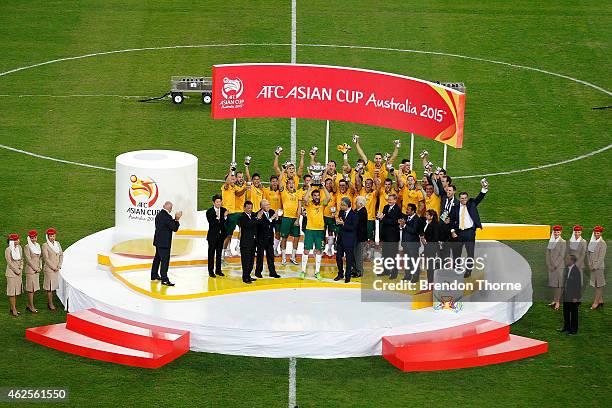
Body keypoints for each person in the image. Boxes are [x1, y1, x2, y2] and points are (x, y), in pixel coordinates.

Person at [449, 180, 488, 277]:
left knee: (470, 253)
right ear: (459, 199)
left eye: (465, 198)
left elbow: (479, 198)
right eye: (462, 198)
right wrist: (452, 231)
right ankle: (457, 267)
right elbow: (451, 220)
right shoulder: (455, 208)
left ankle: (468, 271)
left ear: (467, 198)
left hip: (469, 232)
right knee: (456, 252)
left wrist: (484, 188)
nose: (464, 200)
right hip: (458, 233)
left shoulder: (471, 204)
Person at [301, 184, 331, 280]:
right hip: (310, 230)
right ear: (312, 196)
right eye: (315, 196)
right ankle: (303, 271)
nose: (317, 197)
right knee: (306, 251)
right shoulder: (309, 204)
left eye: (318, 196)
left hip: (320, 231)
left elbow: (329, 197)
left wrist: (323, 187)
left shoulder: (322, 204)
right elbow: (305, 199)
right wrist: (310, 188)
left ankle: (317, 272)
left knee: (319, 251)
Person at [150, 202, 181, 287]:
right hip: (164, 243)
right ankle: (164, 279)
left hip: (158, 241)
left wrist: (173, 220)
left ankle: (154, 274)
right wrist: (177, 219)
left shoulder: (159, 214)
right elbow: (174, 228)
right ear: (170, 208)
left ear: (164, 206)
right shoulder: (167, 217)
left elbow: (168, 225)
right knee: (164, 261)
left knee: (157, 258)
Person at [278, 171, 301, 265]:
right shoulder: (284, 192)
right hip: (286, 218)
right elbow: (280, 180)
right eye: (289, 183)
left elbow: (299, 207)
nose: (291, 185)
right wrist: (283, 170)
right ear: (286, 185)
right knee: (284, 237)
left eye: (293, 183)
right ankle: (283, 257)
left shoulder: (298, 193)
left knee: (296, 237)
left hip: (295, 218)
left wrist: (298, 219)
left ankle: (293, 256)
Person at [255, 199, 281, 279]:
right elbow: (263, 225)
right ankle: (258, 272)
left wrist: (276, 218)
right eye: (266, 205)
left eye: (269, 204)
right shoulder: (258, 214)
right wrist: (272, 219)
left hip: (269, 239)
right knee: (260, 256)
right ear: (262, 206)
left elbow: (276, 223)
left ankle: (272, 272)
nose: (268, 206)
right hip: (261, 239)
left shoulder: (271, 212)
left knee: (270, 256)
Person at [334, 197, 359, 283]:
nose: (340, 206)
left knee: (349, 259)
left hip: (349, 240)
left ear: (348, 205)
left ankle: (348, 276)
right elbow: (339, 224)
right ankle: (340, 273)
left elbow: (354, 228)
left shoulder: (354, 214)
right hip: (341, 239)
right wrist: (337, 223)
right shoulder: (341, 212)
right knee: (338, 257)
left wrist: (343, 224)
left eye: (342, 205)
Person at [379, 193, 403, 279]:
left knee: (393, 255)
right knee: (385, 254)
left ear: (395, 200)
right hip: (385, 235)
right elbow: (383, 218)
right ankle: (385, 270)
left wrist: (383, 219)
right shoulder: (385, 207)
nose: (389, 201)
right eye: (388, 199)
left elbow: (394, 222)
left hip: (393, 236)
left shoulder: (397, 209)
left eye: (391, 199)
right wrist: (380, 218)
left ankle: (394, 273)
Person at [558, 255, 582, 335]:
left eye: (567, 259)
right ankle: (566, 327)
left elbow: (578, 285)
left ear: (572, 261)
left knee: (574, 313)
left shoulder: (576, 271)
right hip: (566, 295)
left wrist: (576, 297)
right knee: (566, 312)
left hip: (573, 296)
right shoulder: (567, 269)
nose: (566, 260)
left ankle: (573, 330)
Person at [206, 194, 227, 278]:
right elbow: (213, 223)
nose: (219, 203)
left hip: (221, 236)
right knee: (211, 254)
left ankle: (218, 270)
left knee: (219, 253)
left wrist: (223, 217)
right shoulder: (209, 211)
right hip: (212, 236)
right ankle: (211, 271)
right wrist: (222, 217)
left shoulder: (223, 210)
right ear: (213, 202)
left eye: (220, 202)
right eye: (217, 202)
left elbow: (224, 223)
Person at [41, 228, 63, 311]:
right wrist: (54, 267)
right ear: (47, 236)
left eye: (53, 236)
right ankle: (50, 304)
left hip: (56, 268)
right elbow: (46, 258)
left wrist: (59, 265)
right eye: (50, 236)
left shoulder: (57, 243)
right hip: (50, 269)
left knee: (53, 286)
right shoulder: (45, 245)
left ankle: (51, 302)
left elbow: (61, 255)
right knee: (49, 287)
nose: (52, 238)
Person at [400, 203, 421, 282]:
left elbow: (414, 231)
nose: (406, 211)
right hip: (406, 244)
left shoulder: (417, 219)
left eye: (408, 209)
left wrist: (404, 225)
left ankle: (415, 277)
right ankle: (408, 275)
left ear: (413, 211)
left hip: (413, 245)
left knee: (414, 261)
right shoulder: (406, 217)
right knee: (407, 260)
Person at [546, 225, 566, 310]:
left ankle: (557, 302)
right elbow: (547, 253)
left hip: (558, 267)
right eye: (555, 232)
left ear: (560, 232)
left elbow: (562, 255)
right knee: (554, 284)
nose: (556, 233)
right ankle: (555, 300)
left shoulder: (563, 242)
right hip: (551, 267)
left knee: (558, 285)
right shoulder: (551, 241)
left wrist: (554, 265)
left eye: (558, 232)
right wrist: (549, 264)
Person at [238, 201, 258, 283]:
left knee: (251, 260)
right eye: (248, 208)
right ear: (244, 208)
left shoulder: (253, 215)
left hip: (253, 242)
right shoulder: (242, 217)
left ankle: (248, 275)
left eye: (251, 208)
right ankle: (245, 277)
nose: (250, 210)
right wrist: (256, 219)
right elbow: (248, 225)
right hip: (245, 243)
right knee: (245, 260)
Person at [587, 226, 606, 310]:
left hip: (598, 268)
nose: (596, 234)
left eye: (598, 233)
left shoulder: (603, 243)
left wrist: (595, 266)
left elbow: (601, 257)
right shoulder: (593, 241)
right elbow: (589, 253)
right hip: (592, 266)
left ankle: (596, 302)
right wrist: (590, 264)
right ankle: (600, 300)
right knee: (595, 284)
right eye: (595, 233)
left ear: (601, 233)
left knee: (598, 285)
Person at [23, 230, 42, 313]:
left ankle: (29, 304)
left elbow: (40, 258)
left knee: (34, 289)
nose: (34, 239)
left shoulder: (38, 245)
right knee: (31, 289)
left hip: (36, 270)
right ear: (29, 238)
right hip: (31, 271)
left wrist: (40, 267)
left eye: (35, 237)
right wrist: (35, 268)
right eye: (32, 238)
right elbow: (28, 260)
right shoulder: (27, 247)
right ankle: (31, 306)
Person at [420, 209, 440, 284]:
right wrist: (422, 237)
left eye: (427, 215)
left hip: (432, 247)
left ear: (431, 216)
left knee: (430, 265)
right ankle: (430, 280)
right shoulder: (426, 223)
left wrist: (426, 240)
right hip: (427, 247)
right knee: (429, 264)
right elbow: (423, 231)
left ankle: (430, 281)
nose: (426, 216)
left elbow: (435, 237)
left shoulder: (435, 225)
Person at [264, 175, 283, 256]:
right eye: (273, 181)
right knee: (268, 232)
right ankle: (267, 248)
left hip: (279, 215)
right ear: (270, 182)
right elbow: (264, 203)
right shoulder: (266, 190)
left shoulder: (281, 191)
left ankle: (274, 249)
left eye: (276, 181)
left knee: (278, 233)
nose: (275, 183)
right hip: (270, 215)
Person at [6, 233, 23, 317]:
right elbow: (9, 262)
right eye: (15, 240)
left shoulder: (19, 248)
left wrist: (21, 267)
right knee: (12, 292)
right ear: (11, 241)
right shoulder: (8, 250)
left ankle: (12, 308)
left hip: (18, 272)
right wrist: (17, 270)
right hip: (11, 273)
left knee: (16, 291)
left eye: (18, 239)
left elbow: (21, 259)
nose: (17, 241)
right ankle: (14, 309)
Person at [353, 195, 369, 278]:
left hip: (360, 237)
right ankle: (355, 270)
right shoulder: (356, 210)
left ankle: (359, 272)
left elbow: (356, 222)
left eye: (356, 202)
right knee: (354, 254)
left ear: (360, 204)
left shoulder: (362, 211)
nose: (355, 203)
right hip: (355, 236)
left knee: (358, 255)